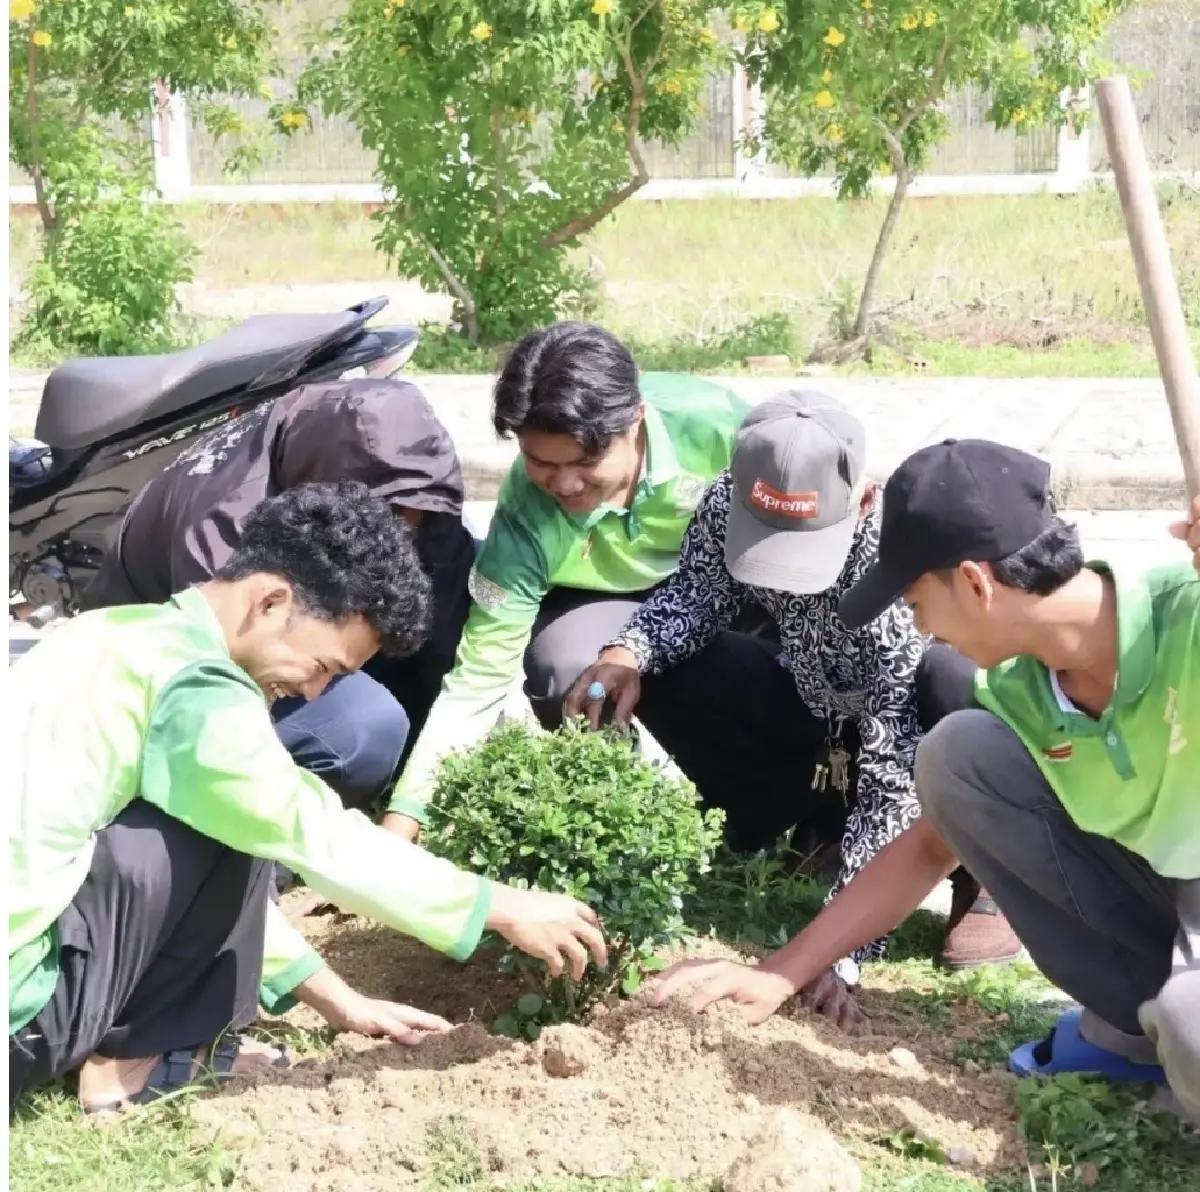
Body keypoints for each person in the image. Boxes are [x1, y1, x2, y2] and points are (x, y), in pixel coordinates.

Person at [9, 482, 606, 1115]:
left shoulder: (116, 636)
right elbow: (310, 831)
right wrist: (498, 905)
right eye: (325, 667)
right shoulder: (195, 691)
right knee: (237, 822)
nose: (316, 694)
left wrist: (341, 1003)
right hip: (23, 1016)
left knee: (224, 819)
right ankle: (127, 1068)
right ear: (271, 600)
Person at [649, 440, 1198, 1120]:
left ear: (974, 582)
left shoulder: (1188, 614)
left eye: (913, 602)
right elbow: (928, 847)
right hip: (1164, 898)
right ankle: (1146, 1026)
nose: (914, 624)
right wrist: (777, 973)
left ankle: (1173, 1028)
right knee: (957, 752)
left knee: (1193, 1030)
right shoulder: (1019, 689)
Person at [565, 392, 1020, 1024]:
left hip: (903, 722)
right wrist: (629, 653)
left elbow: (893, 759)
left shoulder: (896, 553)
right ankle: (814, 820)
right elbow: (701, 594)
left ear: (861, 501)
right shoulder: (728, 498)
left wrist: (840, 951)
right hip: (815, 697)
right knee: (668, 668)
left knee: (952, 680)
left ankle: (982, 867)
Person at [381, 322, 750, 840]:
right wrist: (406, 816)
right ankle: (647, 820)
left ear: (636, 421)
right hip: (612, 609)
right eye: (540, 462)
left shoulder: (720, 428)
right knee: (570, 668)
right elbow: (478, 678)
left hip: (737, 588)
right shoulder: (525, 512)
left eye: (587, 461)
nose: (566, 485)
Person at [83, 378, 475, 816]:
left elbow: (439, 617)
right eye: (389, 515)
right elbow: (223, 697)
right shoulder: (222, 531)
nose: (403, 530)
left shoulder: (412, 495)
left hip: (293, 632)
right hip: (171, 679)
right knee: (363, 726)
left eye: (412, 518)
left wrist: (429, 778)